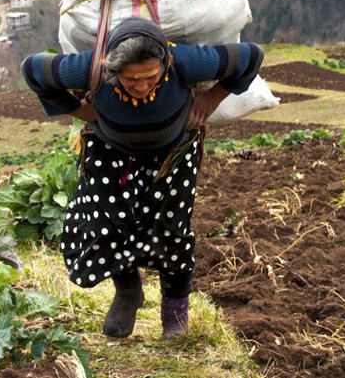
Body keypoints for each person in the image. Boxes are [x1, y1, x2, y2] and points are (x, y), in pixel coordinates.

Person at [21, 17, 264, 340]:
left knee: (173, 233)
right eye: (130, 79)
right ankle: (128, 290)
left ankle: (175, 314)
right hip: (110, 157)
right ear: (110, 69)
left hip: (172, 158)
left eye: (151, 76)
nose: (141, 86)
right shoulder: (88, 68)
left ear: (164, 63)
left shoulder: (186, 63)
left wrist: (211, 98)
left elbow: (251, 57)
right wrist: (76, 109)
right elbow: (32, 70)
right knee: (101, 227)